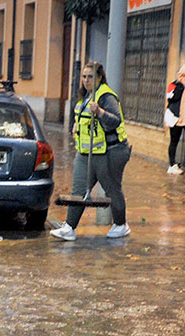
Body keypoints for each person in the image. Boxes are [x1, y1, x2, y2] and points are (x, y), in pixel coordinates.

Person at [51, 61, 132, 241]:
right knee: (78, 190)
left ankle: (121, 224)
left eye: (90, 77)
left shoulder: (106, 96)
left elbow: (115, 120)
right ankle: (69, 227)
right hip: (86, 152)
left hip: (110, 151)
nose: (86, 80)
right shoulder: (85, 96)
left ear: (99, 78)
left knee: (112, 189)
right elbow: (85, 119)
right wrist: (76, 127)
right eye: (84, 77)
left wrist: (101, 112)